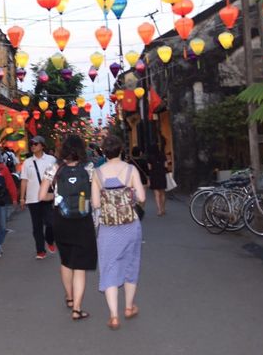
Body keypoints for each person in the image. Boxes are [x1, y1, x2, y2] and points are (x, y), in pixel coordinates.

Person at [38, 134, 97, 321]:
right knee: (80, 266)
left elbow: (41, 196)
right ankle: (77, 309)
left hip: (61, 220)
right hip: (83, 220)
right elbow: (95, 201)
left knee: (66, 261)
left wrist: (56, 199)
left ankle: (70, 297)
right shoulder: (89, 169)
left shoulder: (54, 168)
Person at [91, 135, 146, 330]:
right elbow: (141, 197)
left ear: (104, 152)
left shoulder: (97, 174)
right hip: (130, 225)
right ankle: (129, 307)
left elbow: (96, 204)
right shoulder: (130, 170)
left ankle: (114, 315)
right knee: (131, 263)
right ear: (121, 150)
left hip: (108, 228)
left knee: (109, 266)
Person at [19, 135, 57, 259]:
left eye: (35, 144)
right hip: (32, 198)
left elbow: (57, 177)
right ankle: (40, 250)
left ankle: (50, 240)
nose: (33, 146)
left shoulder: (51, 159)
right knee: (37, 226)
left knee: (50, 223)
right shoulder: (27, 162)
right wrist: (22, 197)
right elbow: (24, 180)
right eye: (31, 144)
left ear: (42, 145)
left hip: (47, 196)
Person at [148, 145, 168, 216]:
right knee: (162, 193)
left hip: (154, 175)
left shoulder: (150, 157)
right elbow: (166, 165)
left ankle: (159, 210)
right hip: (162, 175)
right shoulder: (163, 155)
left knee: (156, 194)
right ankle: (163, 209)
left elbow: (149, 168)